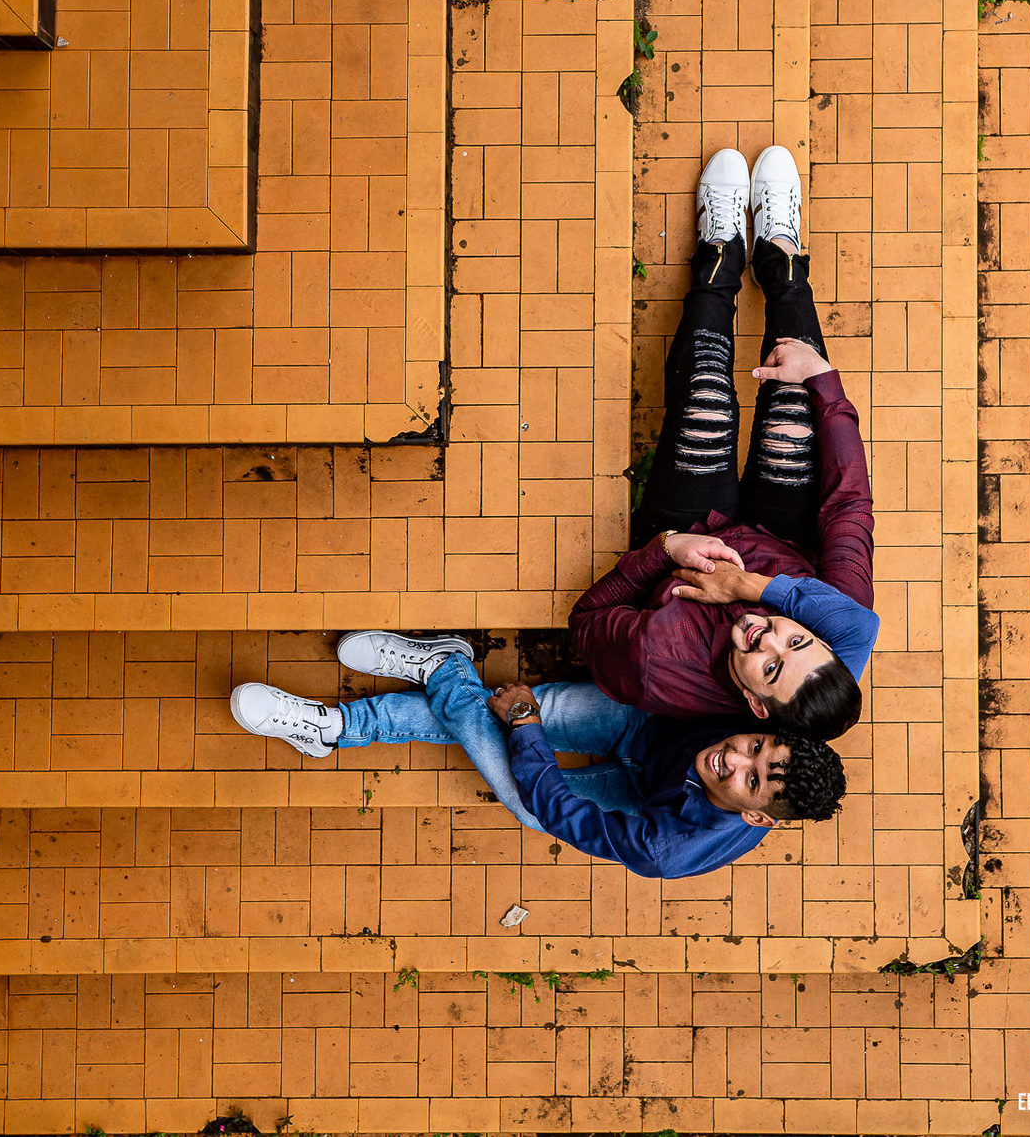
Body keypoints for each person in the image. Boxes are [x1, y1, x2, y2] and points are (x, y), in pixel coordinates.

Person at [569, 146, 877, 739]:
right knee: (797, 403)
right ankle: (781, 259)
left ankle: (719, 255)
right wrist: (824, 381)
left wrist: (664, 549)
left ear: (756, 705)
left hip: (687, 531)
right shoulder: (843, 618)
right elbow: (846, 507)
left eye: (770, 667)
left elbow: (587, 621)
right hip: (785, 535)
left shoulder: (660, 667)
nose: (771, 636)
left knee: (707, 405)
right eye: (797, 639)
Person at [229, 629, 847, 880]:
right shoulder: (774, 707)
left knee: (529, 802)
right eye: (757, 744)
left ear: (760, 816)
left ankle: (435, 674)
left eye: (753, 778)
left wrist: (525, 726)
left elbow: (562, 814)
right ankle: (344, 724)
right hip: (644, 725)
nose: (735, 756)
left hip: (639, 804)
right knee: (523, 726)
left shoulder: (670, 850)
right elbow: (853, 626)